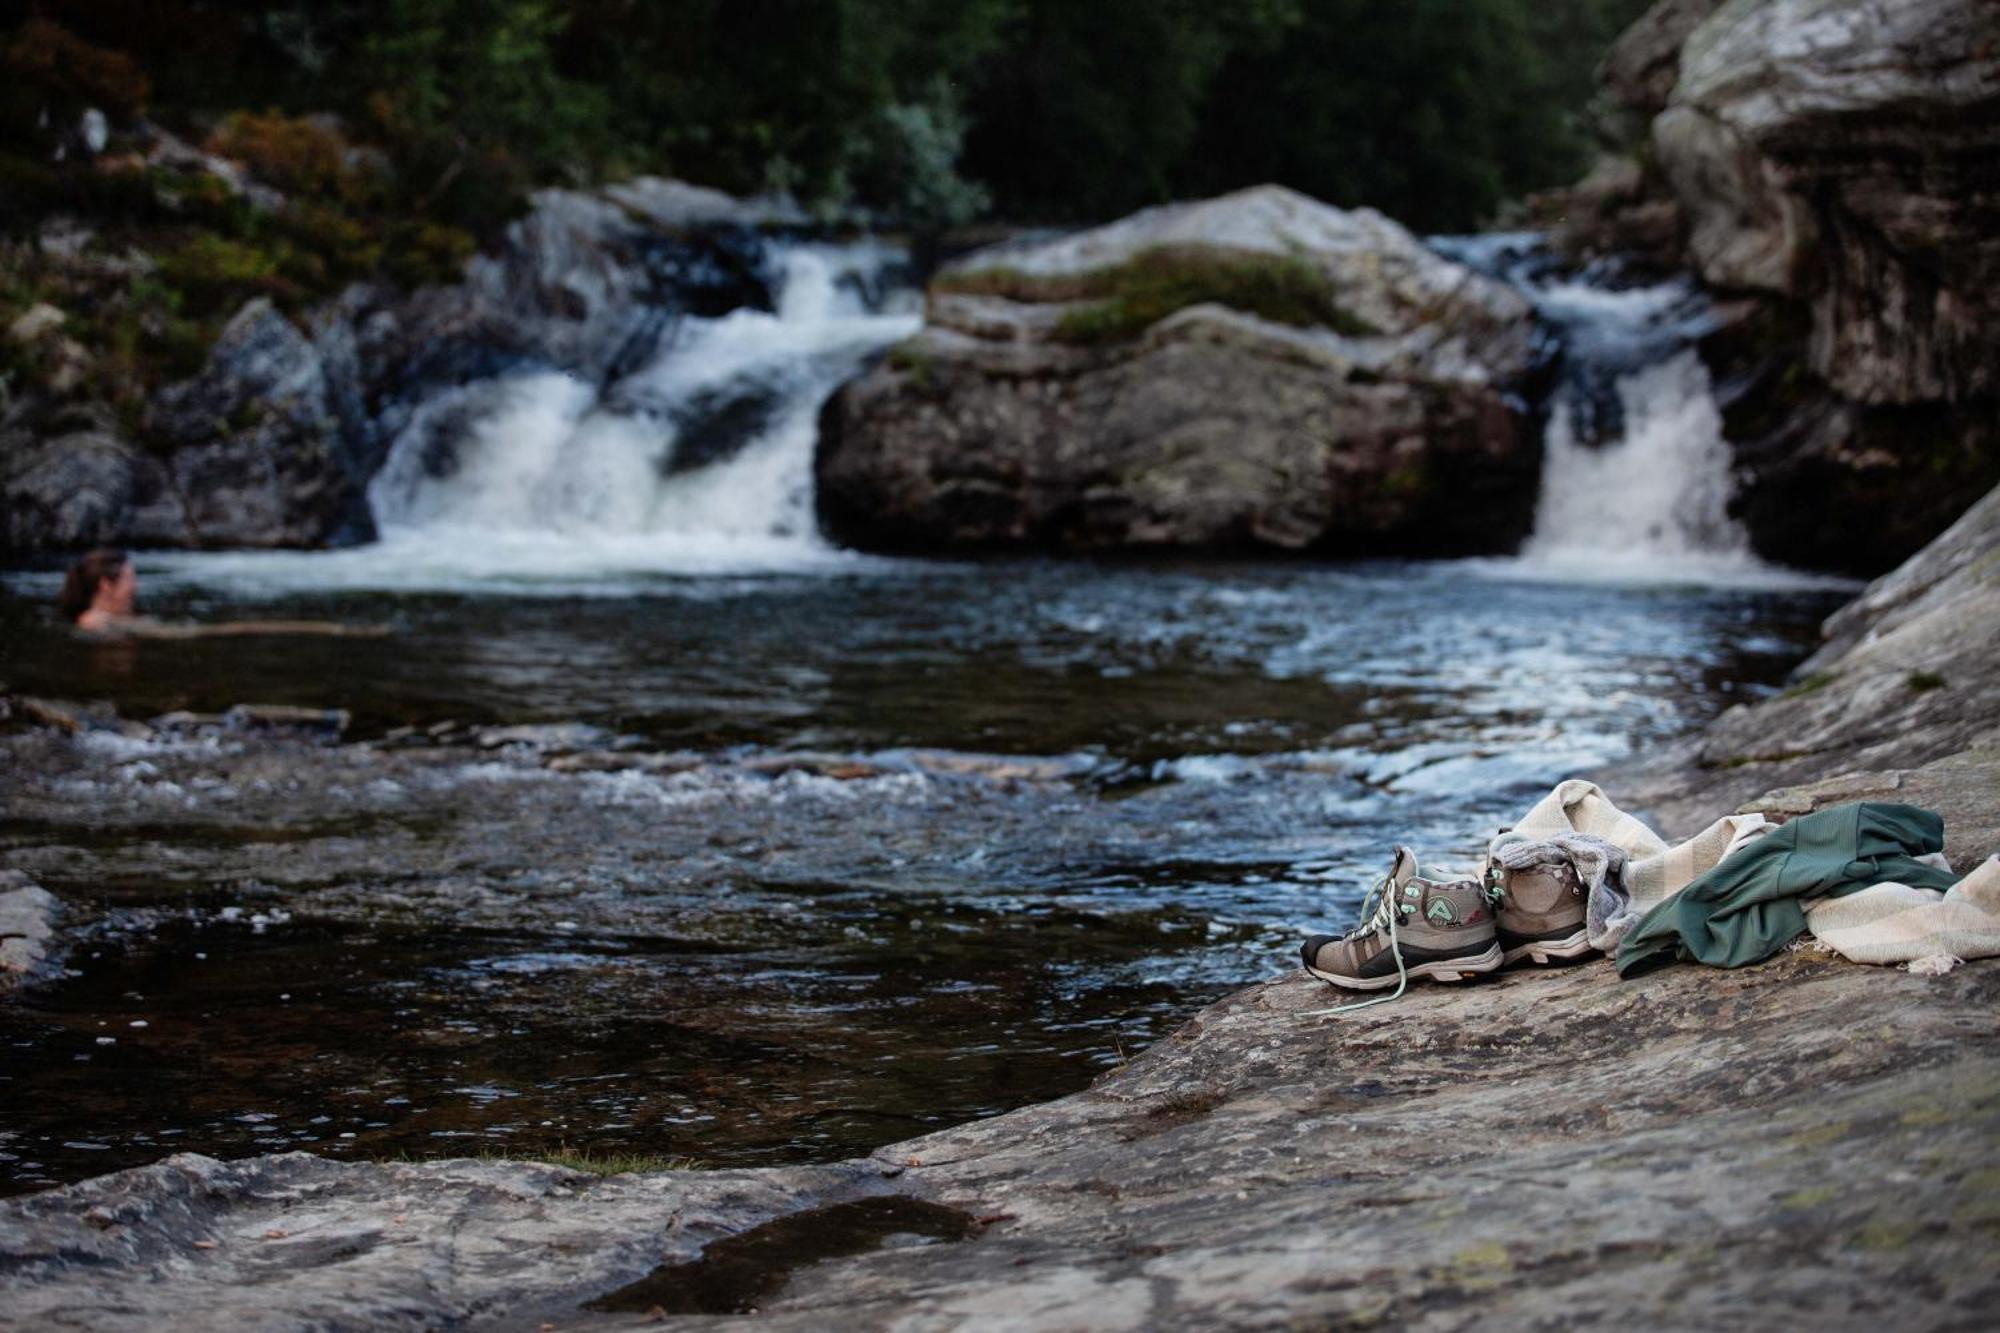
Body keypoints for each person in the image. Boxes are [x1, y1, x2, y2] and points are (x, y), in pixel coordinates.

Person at [55, 548, 386, 638]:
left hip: (177, 633)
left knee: (245, 627)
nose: (135, 586)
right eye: (129, 578)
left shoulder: (107, 620)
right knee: (240, 629)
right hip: (181, 635)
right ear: (105, 585)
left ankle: (339, 630)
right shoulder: (97, 624)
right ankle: (339, 631)